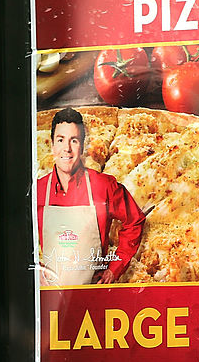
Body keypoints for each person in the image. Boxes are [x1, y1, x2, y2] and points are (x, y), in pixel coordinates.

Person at [36, 107, 146, 286]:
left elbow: (134, 221)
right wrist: (36, 269)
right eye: (61, 140)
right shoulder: (38, 191)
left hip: (95, 291)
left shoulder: (104, 185)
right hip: (50, 294)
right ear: (52, 145)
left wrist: (114, 269)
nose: (67, 149)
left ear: (83, 146)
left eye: (74, 141)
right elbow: (15, 237)